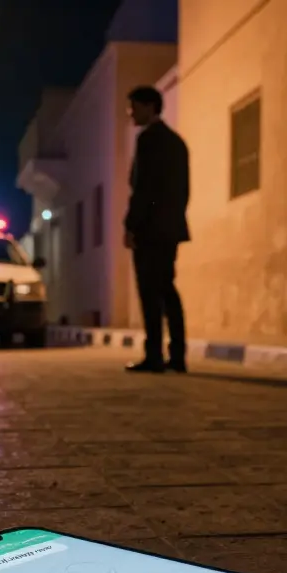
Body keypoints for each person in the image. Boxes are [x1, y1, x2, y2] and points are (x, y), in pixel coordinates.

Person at [123, 85, 189, 374]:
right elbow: (183, 191)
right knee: (167, 290)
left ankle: (154, 355)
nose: (131, 113)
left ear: (150, 107)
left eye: (134, 107)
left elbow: (144, 189)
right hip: (170, 228)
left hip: (150, 230)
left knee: (151, 293)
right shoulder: (176, 142)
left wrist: (131, 225)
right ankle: (177, 355)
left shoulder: (149, 140)